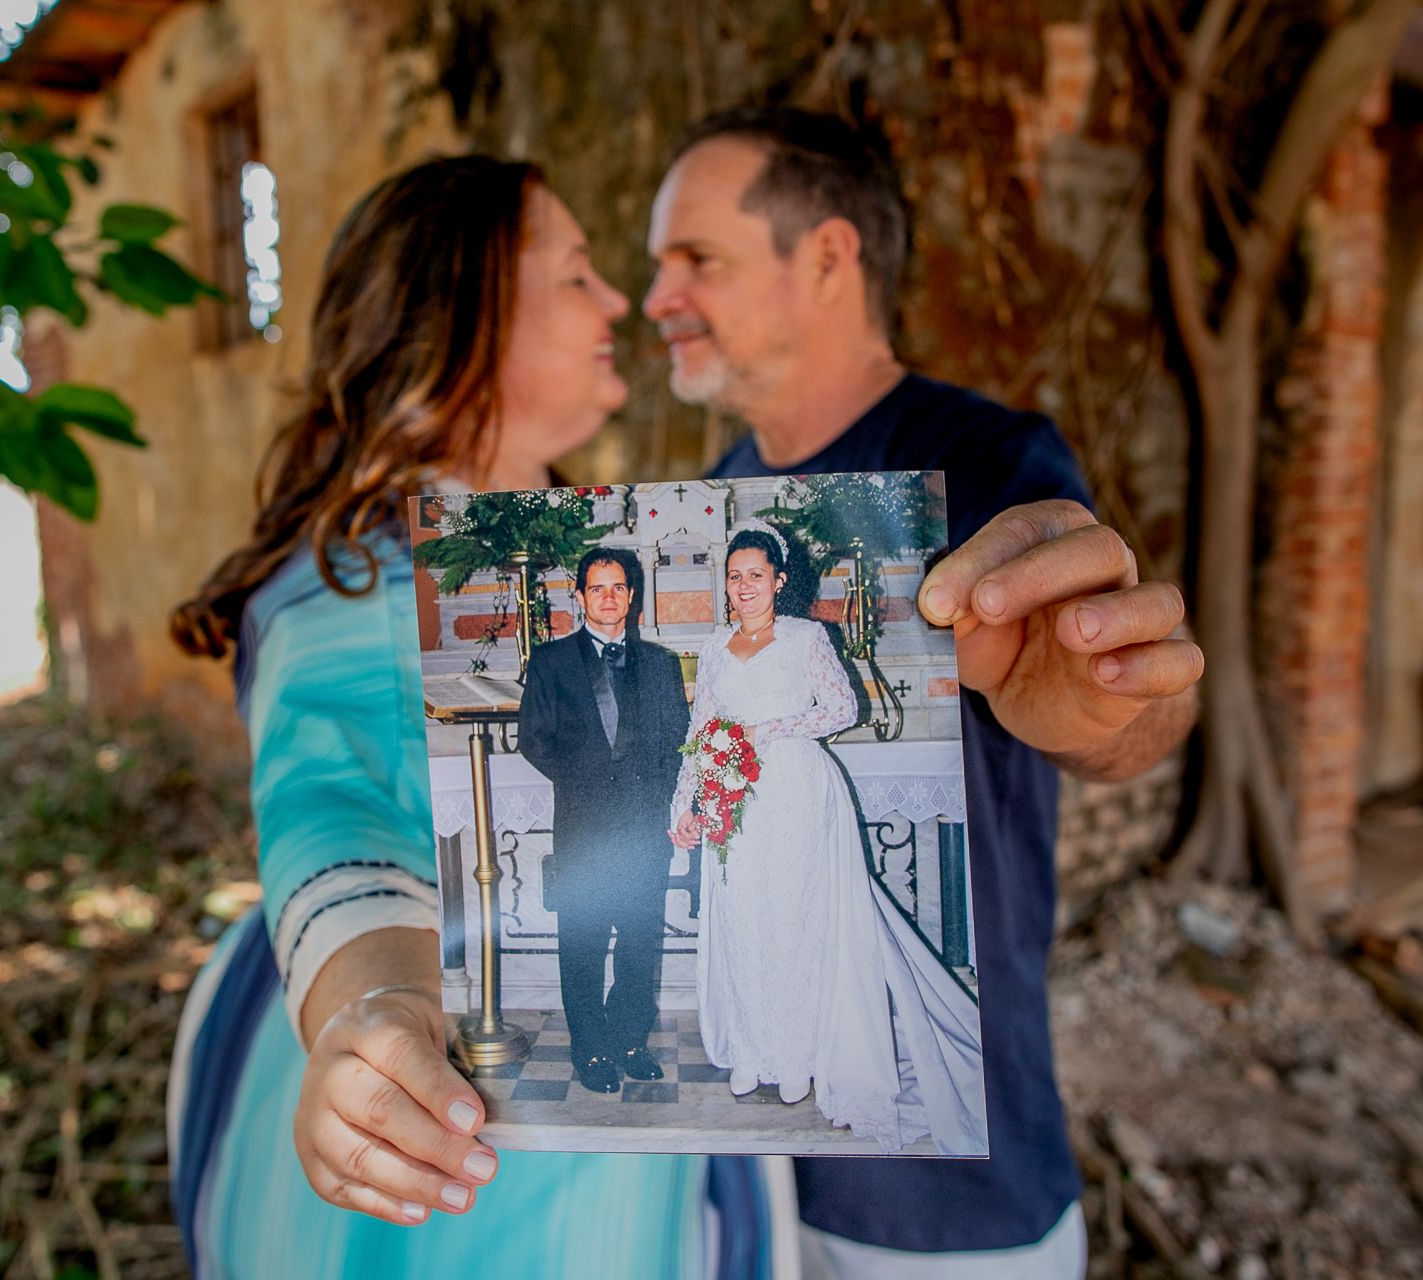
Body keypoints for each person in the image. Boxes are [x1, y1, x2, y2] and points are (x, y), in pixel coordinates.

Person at [164, 157, 748, 1276]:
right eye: (576, 274)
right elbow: (329, 809)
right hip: (457, 1120)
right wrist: (375, 998)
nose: (616, 301)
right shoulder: (359, 581)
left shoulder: (565, 552)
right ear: (468, 310)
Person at [644, 107, 1203, 1275]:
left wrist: (1108, 701)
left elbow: (1126, 721)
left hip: (948, 1200)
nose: (659, 299)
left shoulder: (994, 464)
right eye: (658, 267)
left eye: (696, 259)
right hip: (732, 1190)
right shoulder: (708, 499)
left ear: (831, 257)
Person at [668, 525, 988, 1154]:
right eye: (735, 576)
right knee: (742, 921)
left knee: (794, 920)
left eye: (756, 574)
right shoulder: (712, 651)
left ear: (779, 581)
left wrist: (766, 731)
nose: (744, 585)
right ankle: (752, 1051)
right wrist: (686, 801)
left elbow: (843, 708)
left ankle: (797, 1056)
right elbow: (700, 730)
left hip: (793, 792)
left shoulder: (806, 637)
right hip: (735, 800)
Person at [516, 546, 690, 1094]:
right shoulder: (549, 662)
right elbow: (533, 740)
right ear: (581, 596)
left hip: (643, 828)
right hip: (584, 828)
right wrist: (587, 783)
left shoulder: (660, 664)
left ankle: (630, 1041)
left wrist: (653, 798)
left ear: (631, 595)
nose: (609, 598)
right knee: (584, 942)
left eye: (618, 587)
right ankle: (590, 1049)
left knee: (640, 942)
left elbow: (675, 742)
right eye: (597, 588)